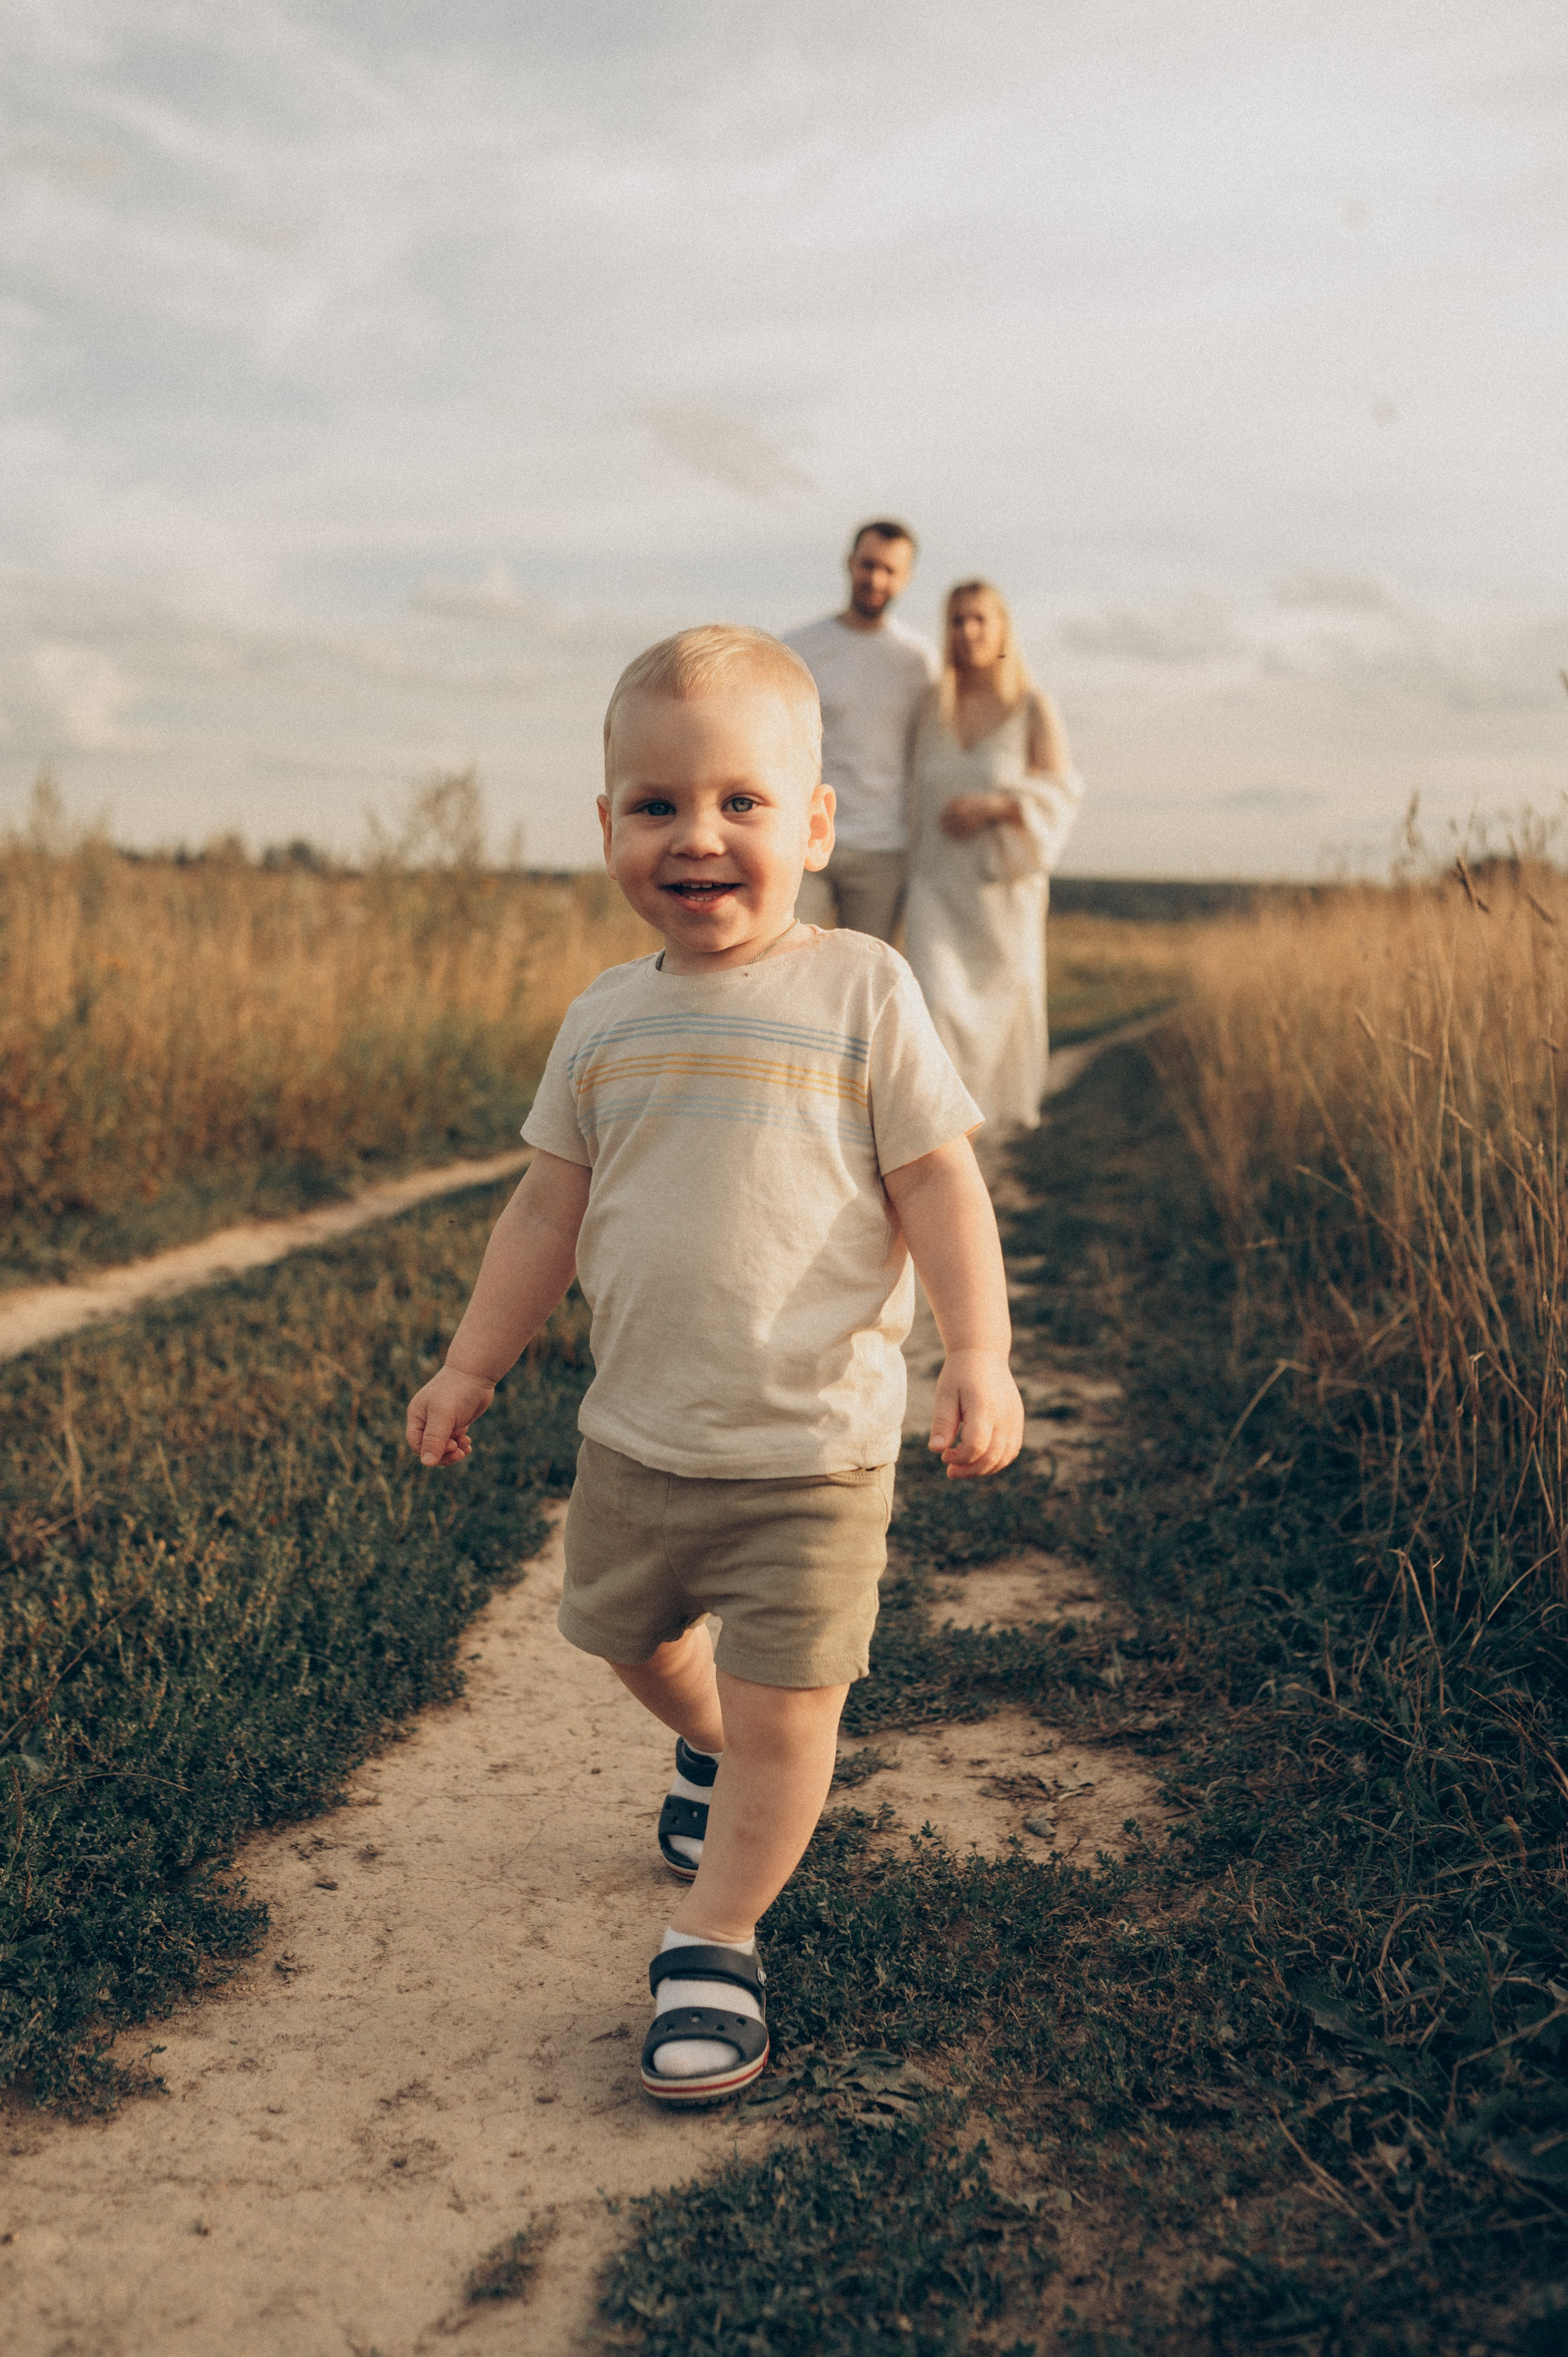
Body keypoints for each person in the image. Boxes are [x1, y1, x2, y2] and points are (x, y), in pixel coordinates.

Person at [405, 626, 1023, 2110]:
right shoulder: (603, 1022)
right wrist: (470, 1362)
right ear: (608, 823)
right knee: (622, 1637)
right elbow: (544, 1211)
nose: (698, 837)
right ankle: (710, 1748)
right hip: (637, 1437)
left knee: (794, 1702)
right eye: (656, 804)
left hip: (812, 1446)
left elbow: (939, 1181)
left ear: (813, 826)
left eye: (742, 802)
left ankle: (715, 1938)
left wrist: (976, 1350)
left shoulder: (861, 990)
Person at [903, 581, 1084, 1129]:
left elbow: (1059, 799)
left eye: (980, 619)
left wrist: (995, 806)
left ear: (1002, 628)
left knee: (995, 1027)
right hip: (935, 888)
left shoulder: (1033, 708)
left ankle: (978, 1158)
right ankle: (938, 1148)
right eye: (957, 620)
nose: (968, 631)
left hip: (1001, 898)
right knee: (934, 1012)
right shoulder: (931, 706)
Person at [784, 520, 940, 943]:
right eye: (867, 565)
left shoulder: (919, 661)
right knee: (787, 963)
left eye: (890, 570)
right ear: (849, 564)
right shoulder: (800, 648)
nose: (876, 578)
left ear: (906, 579)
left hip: (883, 850)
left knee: (866, 977)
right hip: (804, 839)